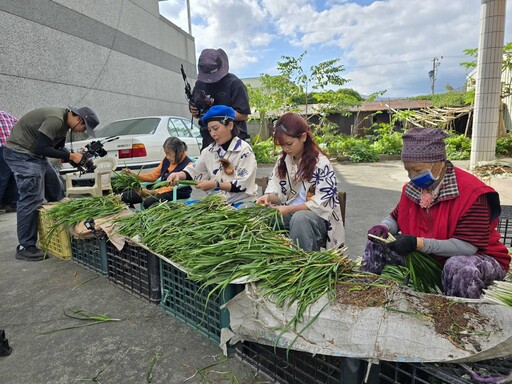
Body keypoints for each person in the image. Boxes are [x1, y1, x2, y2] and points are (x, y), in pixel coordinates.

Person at [363, 127, 510, 299]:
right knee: (376, 243)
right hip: (431, 258)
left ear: (440, 162)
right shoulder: (413, 188)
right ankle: (365, 295)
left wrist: (417, 243)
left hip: (475, 258)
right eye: (408, 170)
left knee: (459, 267)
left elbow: (467, 247)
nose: (411, 177)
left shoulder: (472, 194)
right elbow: (396, 217)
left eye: (417, 170)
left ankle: (459, 320)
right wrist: (383, 227)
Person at [4, 106, 99, 261]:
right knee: (32, 197)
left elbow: (56, 147)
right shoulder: (56, 120)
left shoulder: (64, 124)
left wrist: (76, 157)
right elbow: (41, 148)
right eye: (84, 127)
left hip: (35, 154)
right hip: (21, 153)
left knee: (56, 189)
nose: (83, 131)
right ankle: (25, 247)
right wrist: (70, 157)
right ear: (78, 119)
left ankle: (64, 233)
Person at [255, 113, 345, 251]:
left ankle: (302, 267)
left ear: (303, 137)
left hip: (316, 219)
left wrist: (289, 209)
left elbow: (320, 204)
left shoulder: (321, 163)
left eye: (289, 144)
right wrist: (267, 197)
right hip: (287, 212)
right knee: (253, 212)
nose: (286, 149)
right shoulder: (283, 160)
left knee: (299, 219)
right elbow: (278, 191)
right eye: (282, 145)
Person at [167, 105, 257, 205]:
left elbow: (241, 185)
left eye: (215, 128)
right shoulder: (209, 151)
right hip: (217, 203)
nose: (213, 134)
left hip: (241, 203)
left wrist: (215, 185)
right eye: (210, 130)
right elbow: (194, 170)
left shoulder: (244, 150)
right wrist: (178, 175)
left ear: (230, 125)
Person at [190, 48, 251, 150]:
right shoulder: (200, 84)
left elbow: (243, 114)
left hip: (234, 141)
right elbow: (196, 107)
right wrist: (195, 111)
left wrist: (217, 115)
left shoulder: (234, 84)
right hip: (209, 140)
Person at [121, 137, 194, 209]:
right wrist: (134, 175)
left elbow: (171, 187)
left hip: (176, 192)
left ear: (179, 152)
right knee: (125, 196)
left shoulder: (188, 164)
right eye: (166, 154)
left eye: (170, 154)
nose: (167, 157)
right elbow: (153, 176)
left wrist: (151, 192)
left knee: (148, 202)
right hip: (160, 190)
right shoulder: (166, 160)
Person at [0, 111, 19, 213]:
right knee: (14, 177)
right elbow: (19, 124)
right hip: (13, 148)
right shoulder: (6, 114)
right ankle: (14, 204)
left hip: (1, 150)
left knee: (1, 178)